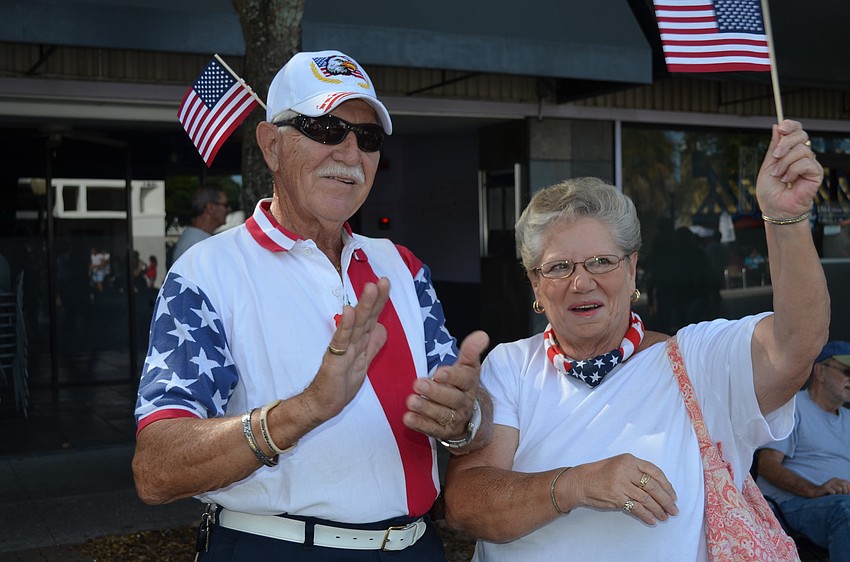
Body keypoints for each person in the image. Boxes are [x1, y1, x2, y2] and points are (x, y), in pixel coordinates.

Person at [132, 49, 491, 561]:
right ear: (271, 145)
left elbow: (466, 417)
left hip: (416, 547)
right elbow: (156, 468)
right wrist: (305, 410)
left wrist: (467, 418)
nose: (349, 153)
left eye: (366, 138)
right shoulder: (207, 271)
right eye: (325, 129)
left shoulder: (404, 267)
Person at [442, 120, 828, 561]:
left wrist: (785, 218)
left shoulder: (695, 362)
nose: (581, 282)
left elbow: (797, 342)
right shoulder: (510, 366)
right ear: (535, 283)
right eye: (558, 267)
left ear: (632, 270)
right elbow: (465, 504)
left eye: (601, 261)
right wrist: (577, 483)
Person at [756, 340, 850, 561]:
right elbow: (767, 466)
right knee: (846, 510)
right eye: (847, 371)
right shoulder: (792, 407)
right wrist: (814, 490)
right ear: (820, 372)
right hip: (793, 505)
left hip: (837, 502)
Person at [170, 185, 230, 264]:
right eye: (225, 205)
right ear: (210, 207)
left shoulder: (194, 239)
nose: (229, 209)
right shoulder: (197, 242)